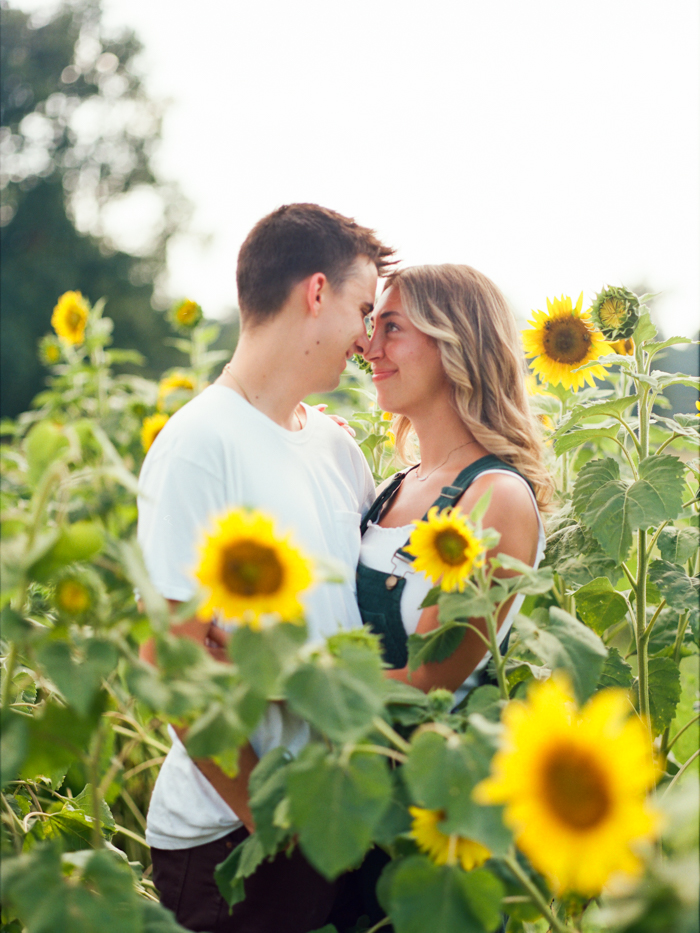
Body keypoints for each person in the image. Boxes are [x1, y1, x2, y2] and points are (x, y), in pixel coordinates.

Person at [137, 203, 394, 933]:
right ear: (316, 292)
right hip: (235, 837)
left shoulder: (338, 448)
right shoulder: (200, 444)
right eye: (362, 308)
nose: (366, 337)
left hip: (334, 818)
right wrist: (272, 820)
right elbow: (172, 662)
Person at [356, 264, 553, 698]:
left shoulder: (496, 496)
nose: (369, 349)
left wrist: (279, 683)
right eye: (373, 327)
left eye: (392, 328)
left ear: (455, 343)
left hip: (436, 759)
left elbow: (427, 684)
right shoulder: (394, 486)